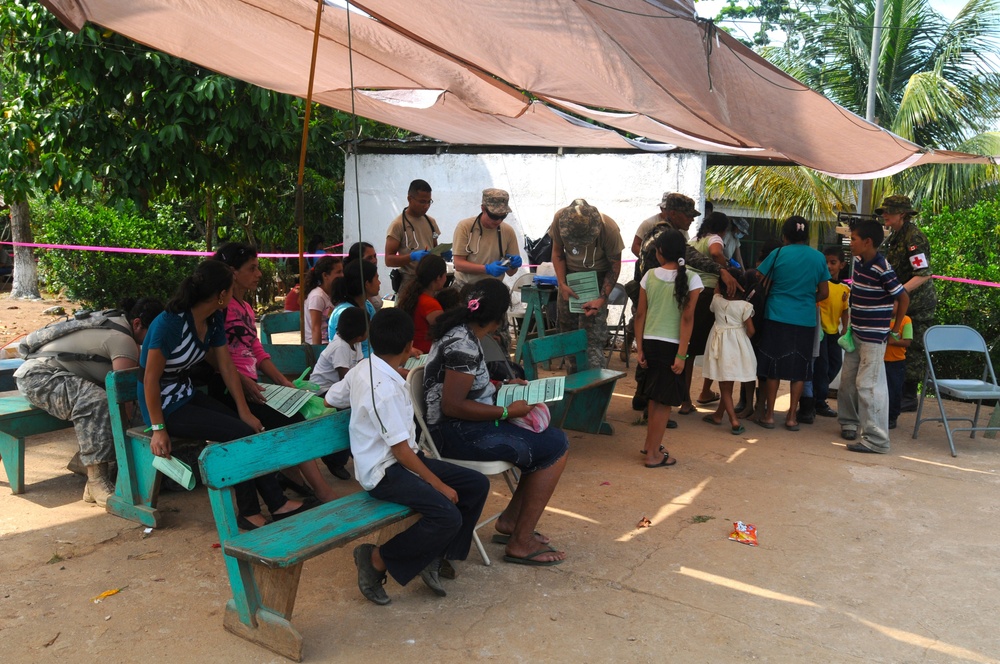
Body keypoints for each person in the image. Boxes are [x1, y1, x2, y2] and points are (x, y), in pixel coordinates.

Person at [324, 308, 490, 605]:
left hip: (406, 459)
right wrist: (438, 484)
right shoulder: (382, 389)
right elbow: (400, 452)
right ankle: (375, 560)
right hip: (383, 472)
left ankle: (434, 555)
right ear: (406, 347)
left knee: (476, 484)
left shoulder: (363, 368)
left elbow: (331, 397)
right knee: (446, 514)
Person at [139, 259, 313, 530]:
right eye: (230, 290)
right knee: (237, 434)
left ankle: (277, 504)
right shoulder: (170, 323)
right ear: (221, 294)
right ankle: (250, 512)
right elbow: (149, 379)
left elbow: (226, 367)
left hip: (185, 394)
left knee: (247, 426)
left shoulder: (213, 318)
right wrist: (158, 428)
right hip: (163, 405)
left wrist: (245, 411)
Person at [423, 279, 569, 566]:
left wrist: (501, 384)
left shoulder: (462, 333)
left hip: (461, 427)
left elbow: (466, 386)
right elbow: (452, 405)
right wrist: (507, 413)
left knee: (549, 442)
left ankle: (513, 522)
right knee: (556, 446)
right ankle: (520, 540)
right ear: (498, 317)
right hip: (455, 433)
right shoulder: (463, 343)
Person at [212, 243, 344, 493]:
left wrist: (285, 383)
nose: (259, 274)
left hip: (253, 385)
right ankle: (319, 490)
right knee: (289, 419)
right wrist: (244, 381)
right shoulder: (219, 309)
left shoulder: (246, 308)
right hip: (230, 389)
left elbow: (257, 351)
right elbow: (216, 360)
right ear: (232, 272)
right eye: (252, 269)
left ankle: (295, 479)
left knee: (295, 409)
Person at [15, 298, 164, 507]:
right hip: (38, 379)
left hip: (49, 375)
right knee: (96, 401)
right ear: (137, 323)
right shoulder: (123, 340)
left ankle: (84, 461)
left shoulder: (119, 324)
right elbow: (124, 398)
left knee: (109, 401)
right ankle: (96, 481)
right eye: (155, 332)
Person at [629, 192, 739, 415]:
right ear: (672, 213)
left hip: (650, 301)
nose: (691, 220)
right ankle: (653, 408)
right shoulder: (666, 235)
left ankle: (644, 399)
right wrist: (722, 270)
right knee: (659, 362)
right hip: (657, 305)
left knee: (650, 357)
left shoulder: (657, 231)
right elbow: (689, 255)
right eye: (687, 215)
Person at [838, 220, 910, 453]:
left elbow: (903, 297)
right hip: (856, 333)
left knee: (868, 386)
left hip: (873, 338)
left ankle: (876, 440)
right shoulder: (859, 262)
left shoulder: (883, 268)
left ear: (867, 242)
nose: (851, 243)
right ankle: (849, 423)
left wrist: (896, 328)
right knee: (848, 382)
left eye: (854, 239)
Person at [753, 216, 829, 431]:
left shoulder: (778, 254)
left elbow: (759, 277)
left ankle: (768, 416)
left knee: (773, 367)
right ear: (807, 236)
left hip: (776, 315)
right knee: (800, 369)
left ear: (784, 235)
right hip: (804, 319)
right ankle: (791, 417)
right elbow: (824, 292)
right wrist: (805, 299)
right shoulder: (818, 258)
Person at [634, 229, 702, 467]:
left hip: (651, 343)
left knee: (655, 398)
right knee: (663, 403)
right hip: (672, 346)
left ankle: (650, 446)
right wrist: (682, 354)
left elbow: (640, 314)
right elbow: (687, 319)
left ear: (660, 252)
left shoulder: (649, 276)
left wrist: (639, 347)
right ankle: (653, 455)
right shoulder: (693, 278)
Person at [549, 199, 624, 372]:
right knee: (569, 336)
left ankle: (594, 389)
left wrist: (601, 299)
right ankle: (575, 385)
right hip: (570, 280)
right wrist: (562, 283)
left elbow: (614, 265)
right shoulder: (560, 220)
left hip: (597, 280)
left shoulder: (609, 228)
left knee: (592, 340)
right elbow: (557, 252)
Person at [878, 195, 936, 412]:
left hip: (917, 304)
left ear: (901, 214)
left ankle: (908, 395)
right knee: (895, 342)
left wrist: (898, 294)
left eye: (889, 212)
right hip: (902, 301)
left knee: (910, 346)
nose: (884, 215)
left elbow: (923, 274)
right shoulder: (896, 235)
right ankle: (896, 391)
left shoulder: (914, 238)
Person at [683, 210, 732, 412]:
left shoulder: (694, 240)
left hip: (687, 291)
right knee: (713, 345)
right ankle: (703, 392)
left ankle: (686, 398)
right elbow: (715, 252)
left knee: (687, 348)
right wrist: (725, 267)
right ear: (723, 229)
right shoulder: (715, 239)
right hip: (706, 294)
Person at [701, 269, 757, 435]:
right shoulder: (745, 306)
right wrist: (741, 339)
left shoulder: (716, 301)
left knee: (725, 386)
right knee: (728, 384)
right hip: (737, 347)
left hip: (719, 345)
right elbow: (752, 330)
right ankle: (722, 416)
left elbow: (716, 293)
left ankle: (733, 420)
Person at [451, 188, 522, 287]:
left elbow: (511, 273)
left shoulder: (508, 231)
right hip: (465, 286)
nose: (498, 221)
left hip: (493, 288)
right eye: (494, 216)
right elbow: (459, 264)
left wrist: (513, 265)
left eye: (503, 217)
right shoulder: (465, 227)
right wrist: (486, 269)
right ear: (483, 209)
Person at [384, 179, 445, 291]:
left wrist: (441, 253)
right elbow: (388, 260)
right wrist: (411, 257)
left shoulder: (431, 222)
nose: (426, 206)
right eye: (422, 202)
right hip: (409, 282)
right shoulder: (398, 225)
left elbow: (434, 246)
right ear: (409, 199)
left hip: (430, 281)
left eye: (429, 202)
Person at [811, 247, 850, 419]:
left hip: (834, 331)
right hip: (820, 332)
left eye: (833, 263)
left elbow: (845, 310)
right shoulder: (819, 285)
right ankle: (818, 400)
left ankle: (816, 393)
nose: (828, 266)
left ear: (842, 265)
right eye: (826, 262)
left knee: (835, 363)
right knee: (822, 365)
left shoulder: (844, 288)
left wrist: (845, 328)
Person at [327, 259, 380, 356]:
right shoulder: (346, 313)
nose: (379, 282)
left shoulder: (367, 306)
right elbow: (349, 356)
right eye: (377, 278)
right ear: (367, 284)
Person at [396, 254, 448, 353]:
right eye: (445, 274)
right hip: (424, 353)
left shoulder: (412, 296)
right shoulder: (431, 304)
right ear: (438, 277)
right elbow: (445, 332)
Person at [311, 306, 367, 394]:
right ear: (359, 336)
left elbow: (362, 366)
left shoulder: (356, 343)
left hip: (335, 387)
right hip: (322, 390)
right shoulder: (340, 346)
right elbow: (344, 379)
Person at [303, 256, 344, 344]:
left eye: (342, 271)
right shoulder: (317, 296)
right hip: (320, 344)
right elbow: (315, 328)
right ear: (325, 275)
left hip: (331, 341)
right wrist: (317, 353)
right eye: (338, 272)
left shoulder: (334, 293)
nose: (342, 275)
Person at [885, 312, 913, 430]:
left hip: (896, 362)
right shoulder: (881, 317)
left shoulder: (906, 320)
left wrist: (892, 341)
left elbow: (907, 341)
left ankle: (892, 417)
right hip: (879, 360)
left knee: (894, 390)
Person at [346, 241, 383, 311]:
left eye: (375, 256)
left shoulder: (368, 305)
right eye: (369, 258)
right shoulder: (348, 307)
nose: (374, 260)